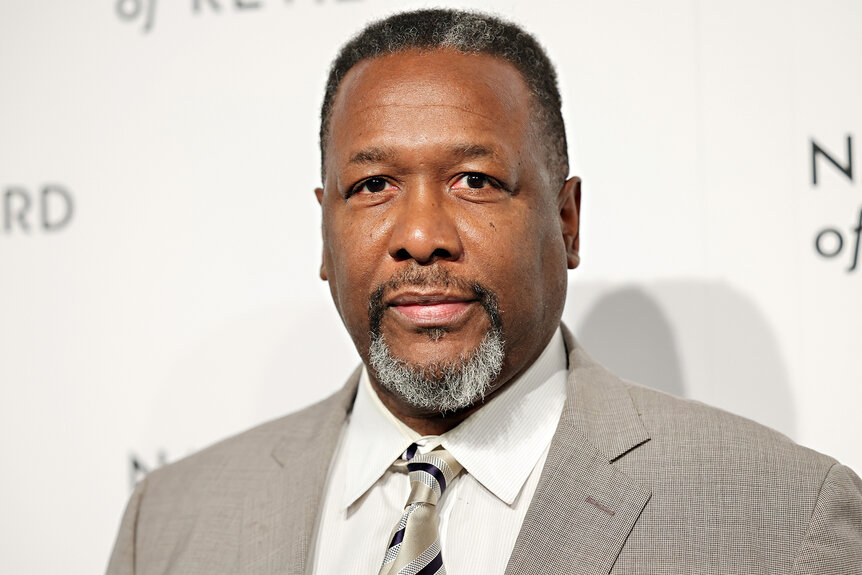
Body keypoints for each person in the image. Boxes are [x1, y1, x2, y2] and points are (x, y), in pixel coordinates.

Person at [107, 9, 862, 575]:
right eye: (373, 186)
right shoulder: (170, 522)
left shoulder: (784, 520)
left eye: (475, 180)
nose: (421, 233)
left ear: (566, 220)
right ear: (325, 235)